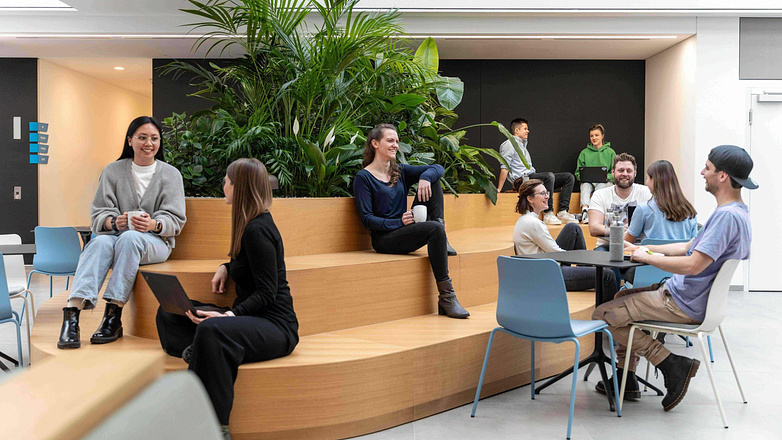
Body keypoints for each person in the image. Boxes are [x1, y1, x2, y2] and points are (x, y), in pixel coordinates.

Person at [592, 145, 755, 412]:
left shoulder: (726, 217)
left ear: (723, 175)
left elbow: (692, 265)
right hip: (687, 296)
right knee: (621, 297)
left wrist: (648, 259)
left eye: (708, 168)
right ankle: (626, 377)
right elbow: (688, 246)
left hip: (682, 302)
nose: (702, 172)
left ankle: (671, 364)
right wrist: (644, 249)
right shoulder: (735, 212)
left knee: (602, 315)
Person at [156, 158, 298, 440]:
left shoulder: (258, 229)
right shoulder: (249, 225)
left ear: (239, 187)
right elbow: (251, 265)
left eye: (227, 181)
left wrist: (230, 316)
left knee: (212, 330)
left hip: (276, 326)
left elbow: (267, 292)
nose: (224, 184)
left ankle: (216, 427)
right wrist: (227, 267)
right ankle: (201, 350)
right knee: (170, 312)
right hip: (251, 319)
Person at [58, 116, 186, 349]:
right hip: (116, 237)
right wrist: (115, 222)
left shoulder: (171, 174)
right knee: (98, 243)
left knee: (130, 238)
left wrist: (154, 225)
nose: (149, 143)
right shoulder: (113, 171)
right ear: (130, 140)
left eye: (154, 138)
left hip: (156, 243)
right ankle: (71, 316)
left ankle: (113, 316)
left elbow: (176, 220)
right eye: (142, 137)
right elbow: (99, 215)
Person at [353, 123, 469, 319]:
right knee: (434, 229)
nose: (395, 145)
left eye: (397, 141)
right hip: (384, 239)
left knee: (432, 179)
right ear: (375, 143)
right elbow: (367, 219)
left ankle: (442, 234)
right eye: (390, 140)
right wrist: (399, 222)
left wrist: (424, 178)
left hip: (405, 228)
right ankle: (447, 297)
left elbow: (437, 168)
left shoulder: (400, 171)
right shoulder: (364, 178)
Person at [513, 179, 618, 302]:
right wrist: (588, 258)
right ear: (530, 199)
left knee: (573, 228)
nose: (547, 197)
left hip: (542, 267)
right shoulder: (533, 223)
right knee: (607, 275)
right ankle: (611, 311)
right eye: (542, 194)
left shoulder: (525, 219)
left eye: (547, 193)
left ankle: (587, 269)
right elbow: (556, 253)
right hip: (546, 276)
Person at [497, 118, 577, 225]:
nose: (528, 131)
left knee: (568, 177)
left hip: (531, 178)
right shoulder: (509, 144)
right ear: (516, 130)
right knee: (548, 176)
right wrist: (499, 189)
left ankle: (562, 212)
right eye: (525, 128)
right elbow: (505, 167)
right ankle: (548, 213)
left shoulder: (523, 146)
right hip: (522, 181)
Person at [587, 152, 652, 251]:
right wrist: (619, 230)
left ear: (635, 173)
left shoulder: (646, 192)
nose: (625, 174)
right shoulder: (600, 194)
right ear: (613, 172)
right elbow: (594, 228)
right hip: (607, 245)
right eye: (621, 170)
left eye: (629, 171)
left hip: (638, 245)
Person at [625, 160, 698, 244]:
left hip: (651, 253)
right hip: (682, 253)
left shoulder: (643, 209)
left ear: (653, 180)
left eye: (647, 178)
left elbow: (626, 243)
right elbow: (694, 244)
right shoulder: (689, 211)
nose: (646, 182)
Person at [575, 124, 616, 224]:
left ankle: (594, 212)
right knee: (585, 185)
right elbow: (577, 173)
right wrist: (583, 177)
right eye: (592, 136)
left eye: (597, 135)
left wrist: (607, 177)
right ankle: (585, 211)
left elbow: (615, 172)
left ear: (602, 136)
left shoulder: (610, 152)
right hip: (589, 181)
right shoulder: (584, 153)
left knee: (601, 187)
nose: (594, 138)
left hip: (605, 182)